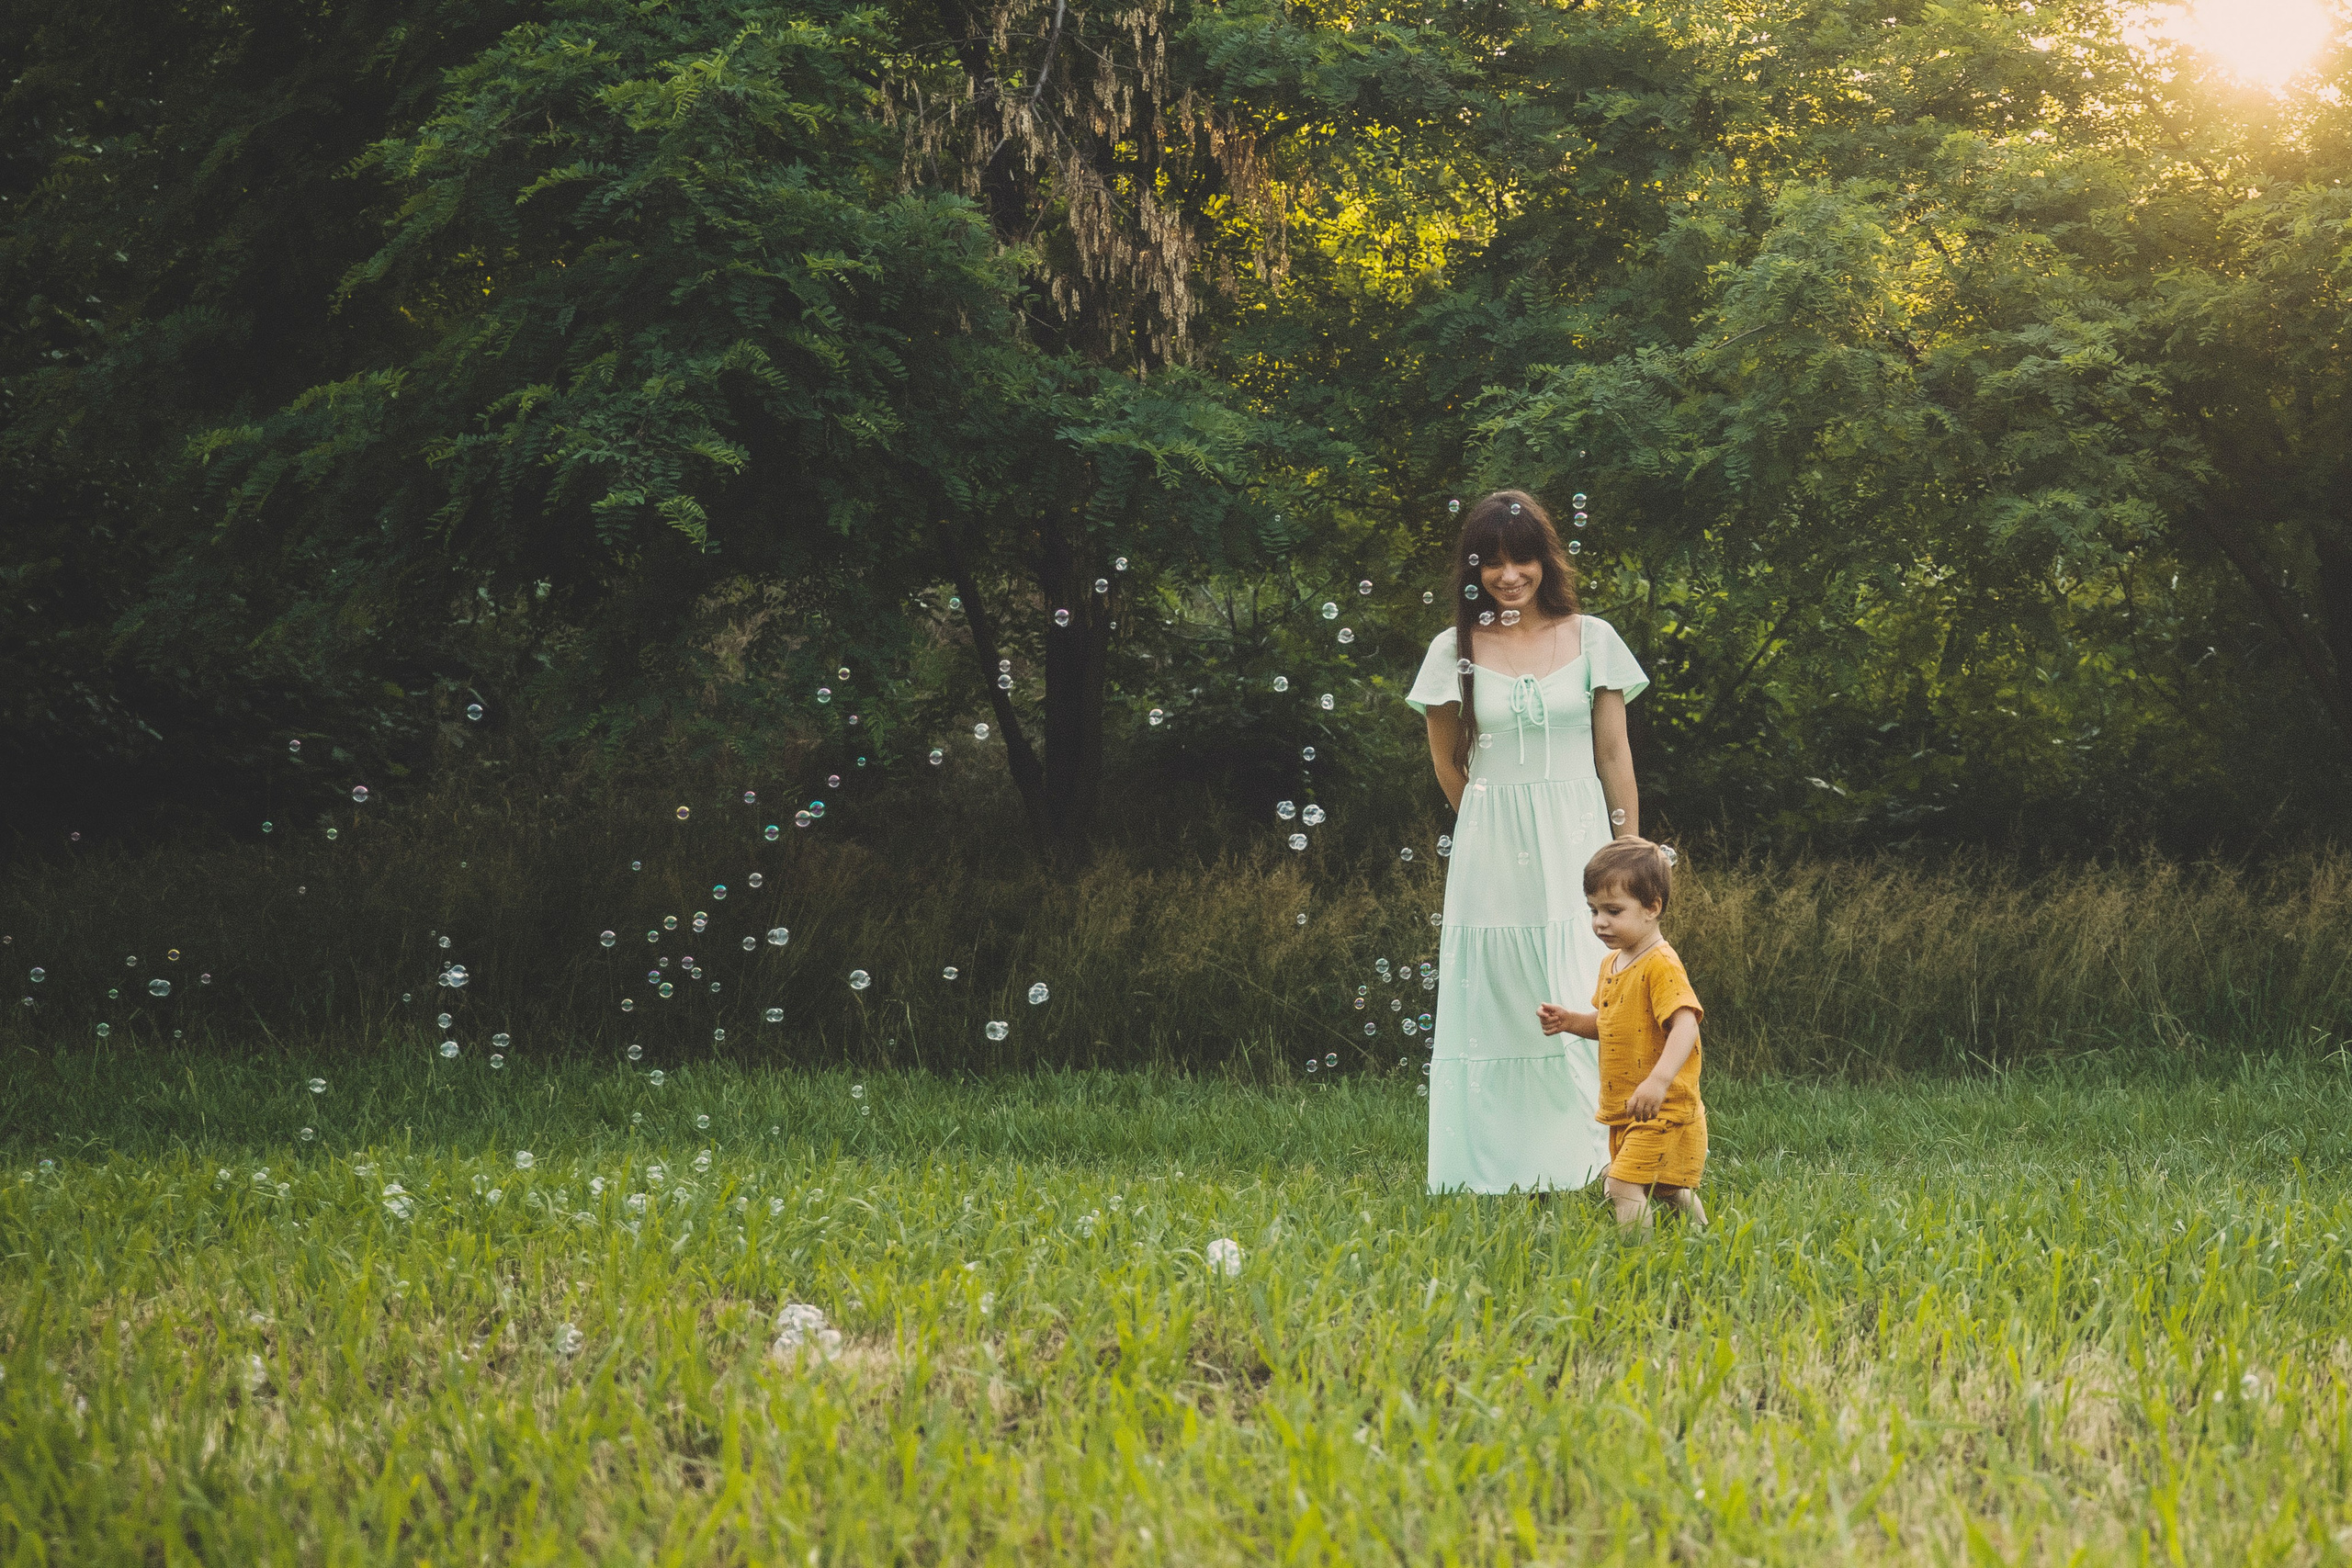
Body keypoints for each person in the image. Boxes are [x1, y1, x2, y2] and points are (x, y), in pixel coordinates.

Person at [1404, 490, 1648, 1195]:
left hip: (1580, 837)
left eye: (1524, 559)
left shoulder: (1593, 637)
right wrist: (1492, 821)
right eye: (1493, 563)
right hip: (1493, 844)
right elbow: (1449, 762)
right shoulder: (1454, 649)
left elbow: (1612, 754)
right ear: (1473, 571)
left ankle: (1602, 1160)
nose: (1510, 576)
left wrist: (1626, 849)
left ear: (1546, 560)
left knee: (1585, 986)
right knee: (1503, 999)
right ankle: (1499, 1168)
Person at [1539, 838, 1708, 1228]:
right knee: (1663, 1187)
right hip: (1628, 1105)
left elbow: (1685, 1024)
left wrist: (1659, 1080)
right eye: (1594, 910)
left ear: (1652, 908)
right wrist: (1569, 1021)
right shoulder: (1612, 963)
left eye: (1613, 911)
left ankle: (1638, 1262)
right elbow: (1610, 1024)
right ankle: (1704, 1236)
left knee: (1621, 1185)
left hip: (1660, 1105)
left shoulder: (1661, 964)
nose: (1600, 921)